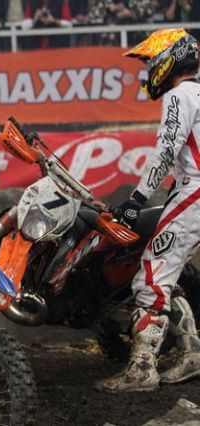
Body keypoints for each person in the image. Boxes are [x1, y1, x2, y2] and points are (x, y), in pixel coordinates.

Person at [96, 29, 200, 393]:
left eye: (152, 61)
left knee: (150, 277)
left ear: (170, 59)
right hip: (190, 191)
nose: (150, 68)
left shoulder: (179, 95)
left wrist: (137, 199)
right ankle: (192, 352)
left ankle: (141, 369)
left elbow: (166, 148)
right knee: (169, 272)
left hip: (195, 190)